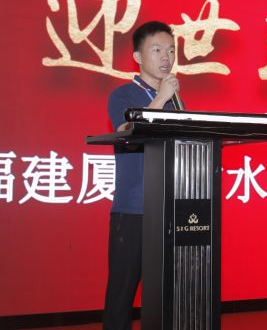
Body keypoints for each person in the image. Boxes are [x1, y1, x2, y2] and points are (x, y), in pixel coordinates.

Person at [103, 20, 181, 330]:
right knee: (121, 294)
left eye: (171, 51)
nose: (166, 57)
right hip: (133, 209)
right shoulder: (122, 95)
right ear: (137, 57)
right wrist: (160, 99)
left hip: (170, 208)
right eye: (157, 50)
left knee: (165, 293)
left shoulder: (176, 101)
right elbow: (128, 132)